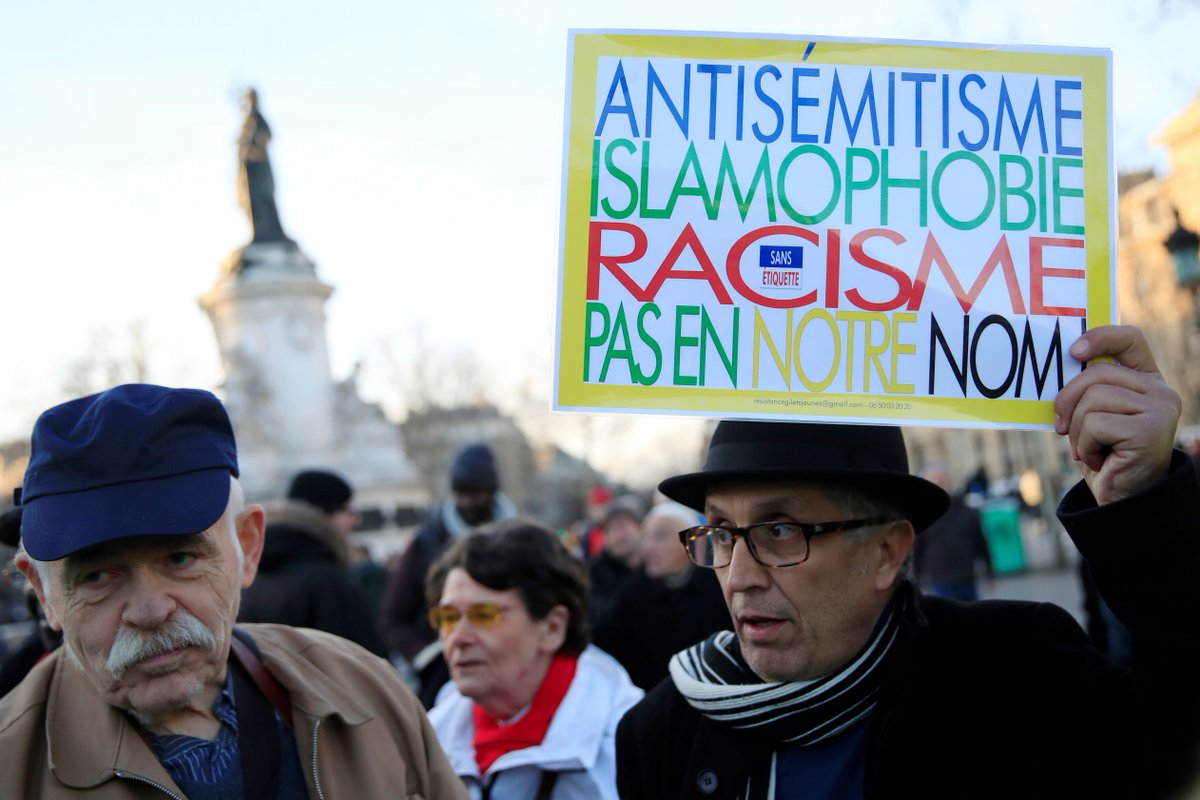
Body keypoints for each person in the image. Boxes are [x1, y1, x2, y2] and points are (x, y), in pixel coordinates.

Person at [616, 325, 1200, 799]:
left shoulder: (1018, 672)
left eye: (779, 530)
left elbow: (1172, 753)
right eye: (720, 532)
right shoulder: (662, 730)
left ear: (887, 550)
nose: (738, 576)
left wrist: (1146, 506)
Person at [0, 384, 465, 798]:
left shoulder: (367, 693)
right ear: (43, 591)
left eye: (181, 559)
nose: (149, 609)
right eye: (97, 576)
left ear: (248, 546)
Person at [425, 518, 643, 799]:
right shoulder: (430, 737)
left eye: (484, 615)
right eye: (448, 617)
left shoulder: (629, 743)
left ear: (552, 628)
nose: (458, 637)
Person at [381, 442, 517, 706]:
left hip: (510, 672)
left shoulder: (519, 539)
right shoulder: (426, 543)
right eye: (461, 493)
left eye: (475, 493)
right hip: (447, 680)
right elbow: (393, 618)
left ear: (492, 492)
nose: (467, 502)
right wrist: (429, 656)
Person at [237, 468, 388, 656]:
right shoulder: (326, 580)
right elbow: (363, 660)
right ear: (326, 512)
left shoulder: (253, 576)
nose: (356, 519)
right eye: (348, 510)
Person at [594, 502, 731, 690]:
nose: (648, 549)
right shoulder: (632, 595)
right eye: (645, 537)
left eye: (660, 537)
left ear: (693, 542)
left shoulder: (722, 590)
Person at [912, 466, 994, 601]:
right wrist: (918, 579)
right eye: (936, 480)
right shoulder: (924, 515)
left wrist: (989, 572)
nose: (940, 483)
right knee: (946, 619)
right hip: (940, 578)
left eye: (943, 479)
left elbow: (981, 542)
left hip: (966, 575)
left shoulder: (966, 510)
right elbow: (918, 548)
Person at [587, 493, 645, 633]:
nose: (617, 535)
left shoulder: (655, 567)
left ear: (640, 528)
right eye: (609, 530)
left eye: (623, 526)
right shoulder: (593, 574)